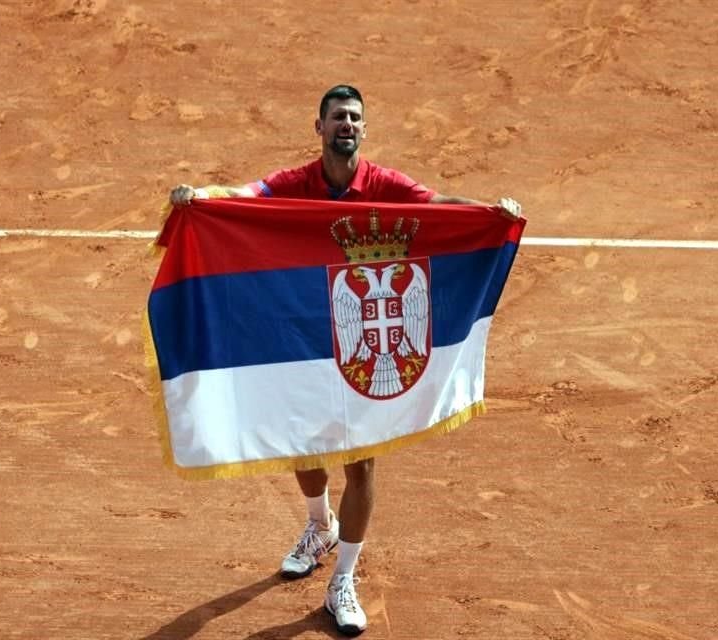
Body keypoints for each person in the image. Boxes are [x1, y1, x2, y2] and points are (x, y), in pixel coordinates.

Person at [169, 84, 521, 637]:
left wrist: (489, 213)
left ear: (363, 129)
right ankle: (319, 524)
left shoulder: (384, 183)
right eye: (338, 117)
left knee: (362, 459)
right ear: (320, 128)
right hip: (306, 337)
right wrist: (202, 199)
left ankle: (343, 578)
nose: (347, 125)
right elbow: (246, 194)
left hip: (362, 346)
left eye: (355, 118)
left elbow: (435, 206)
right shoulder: (295, 183)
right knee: (303, 438)